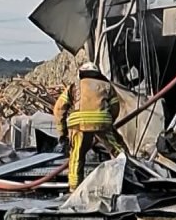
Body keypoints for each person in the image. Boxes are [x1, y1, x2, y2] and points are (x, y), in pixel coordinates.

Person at [53, 61, 126, 191]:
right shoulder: (106, 86)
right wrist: (108, 123)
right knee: (118, 150)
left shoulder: (74, 86)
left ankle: (74, 189)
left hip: (79, 125)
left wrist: (62, 132)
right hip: (101, 121)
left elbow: (59, 109)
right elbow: (115, 107)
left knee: (77, 156)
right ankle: (126, 178)